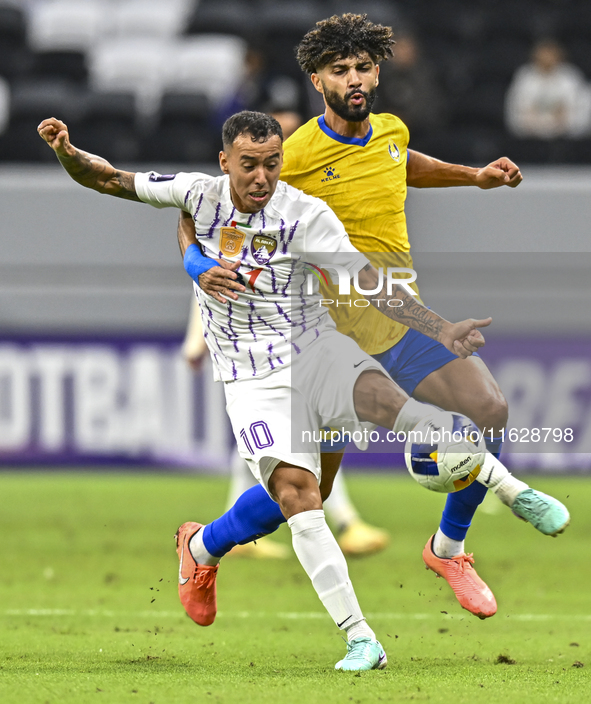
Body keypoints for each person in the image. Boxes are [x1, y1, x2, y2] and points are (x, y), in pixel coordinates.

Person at [38, 110, 497, 671]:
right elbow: (109, 177)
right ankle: (361, 639)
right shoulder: (199, 196)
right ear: (225, 161)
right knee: (300, 496)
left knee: (386, 417)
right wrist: (66, 151)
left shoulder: (306, 214)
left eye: (272, 164)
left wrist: (438, 328)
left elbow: (369, 282)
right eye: (249, 165)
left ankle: (202, 546)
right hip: (251, 377)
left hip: (317, 352)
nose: (261, 177)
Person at [177, 14, 570, 621]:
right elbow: (204, 203)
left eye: (363, 67)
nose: (354, 79)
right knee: (311, 492)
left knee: (487, 408)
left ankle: (449, 549)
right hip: (326, 340)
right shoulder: (295, 153)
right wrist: (197, 262)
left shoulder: (389, 130)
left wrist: (473, 177)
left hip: (399, 321)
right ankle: (202, 545)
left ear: (378, 70)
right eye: (340, 70)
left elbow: (401, 161)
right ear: (317, 79)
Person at [182, 293, 390, 559]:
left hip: (283, 339)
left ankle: (227, 535)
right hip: (257, 346)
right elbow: (209, 276)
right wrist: (196, 337)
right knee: (305, 439)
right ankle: (346, 522)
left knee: (274, 440)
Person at [505, 38, 591, 139]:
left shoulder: (570, 78)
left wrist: (565, 124)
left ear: (559, 56)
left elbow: (582, 112)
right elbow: (514, 112)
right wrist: (533, 125)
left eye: (550, 54)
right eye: (543, 54)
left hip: (564, 139)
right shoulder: (524, 77)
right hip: (530, 139)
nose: (547, 58)